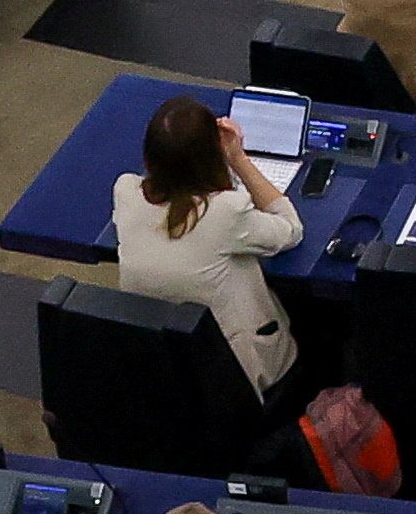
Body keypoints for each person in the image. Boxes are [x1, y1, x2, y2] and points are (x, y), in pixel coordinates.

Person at [111, 93, 307, 403]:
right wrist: (238, 159)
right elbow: (290, 229)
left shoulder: (125, 191)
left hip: (165, 368)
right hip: (238, 375)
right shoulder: (226, 211)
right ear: (211, 155)